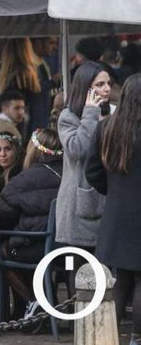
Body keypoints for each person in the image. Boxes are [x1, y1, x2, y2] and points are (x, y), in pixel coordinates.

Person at [86, 74, 141, 345]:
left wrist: (115, 193)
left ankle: (109, 336)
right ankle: (136, 339)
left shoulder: (106, 128)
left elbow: (92, 171)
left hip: (116, 214)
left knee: (120, 280)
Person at [0, 128, 63, 321]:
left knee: (2, 250)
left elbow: (3, 212)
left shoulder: (25, 178)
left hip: (41, 251)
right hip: (68, 254)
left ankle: (34, 302)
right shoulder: (72, 171)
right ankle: (47, 302)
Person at [55, 61, 111, 251]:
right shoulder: (68, 116)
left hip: (108, 201)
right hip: (80, 205)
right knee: (79, 269)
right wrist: (90, 115)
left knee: (106, 272)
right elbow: (77, 150)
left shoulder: (113, 113)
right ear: (86, 88)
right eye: (99, 85)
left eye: (108, 84)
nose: (106, 89)